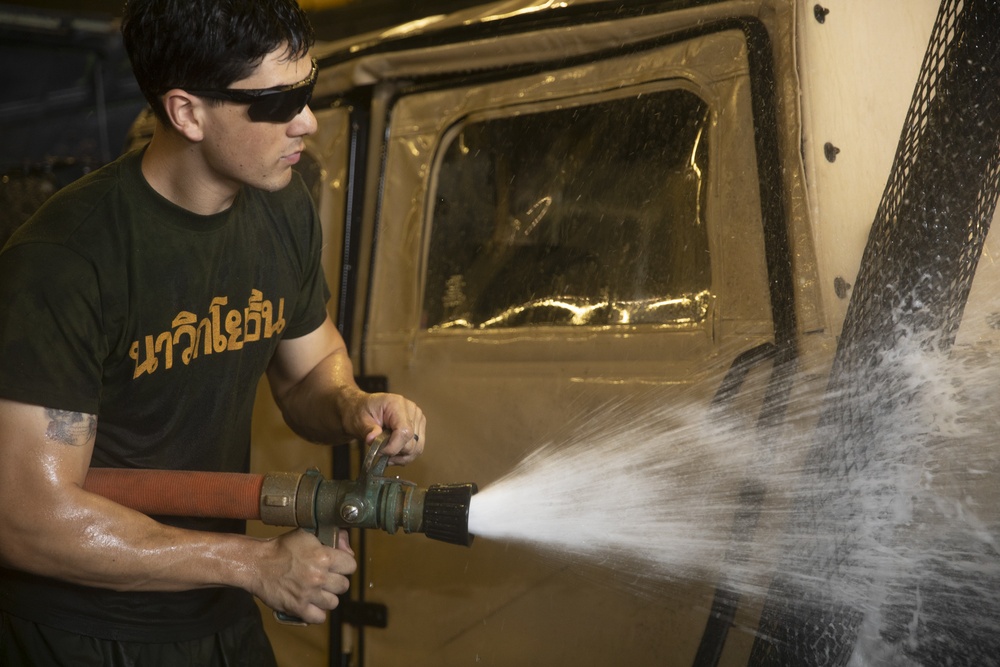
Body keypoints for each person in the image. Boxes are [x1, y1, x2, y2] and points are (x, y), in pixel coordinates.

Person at [0, 1, 426, 664]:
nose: (307, 121)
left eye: (307, 90)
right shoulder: (69, 260)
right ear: (186, 112)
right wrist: (253, 562)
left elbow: (312, 370)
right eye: (279, 101)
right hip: (80, 629)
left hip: (217, 609)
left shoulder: (283, 210)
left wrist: (352, 404)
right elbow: (26, 517)